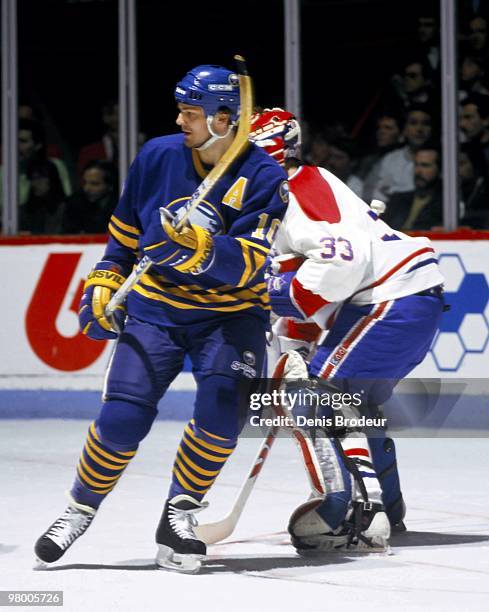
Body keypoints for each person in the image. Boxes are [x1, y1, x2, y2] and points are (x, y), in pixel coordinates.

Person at [34, 64, 288, 573]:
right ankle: (80, 508)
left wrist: (198, 249)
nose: (179, 120)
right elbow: (124, 239)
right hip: (155, 311)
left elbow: (253, 263)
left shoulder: (265, 176)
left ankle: (179, 515)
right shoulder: (156, 156)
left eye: (190, 112)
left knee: (222, 415)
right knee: (122, 416)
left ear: (224, 118)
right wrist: (106, 279)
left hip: (230, 317)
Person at [250, 108, 445, 552]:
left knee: (310, 394)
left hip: (389, 300)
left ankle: (354, 509)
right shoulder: (300, 187)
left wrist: (277, 293)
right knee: (357, 405)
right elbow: (320, 277)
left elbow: (342, 261)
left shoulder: (295, 189)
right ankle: (388, 509)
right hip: (409, 299)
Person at [372, 104, 434, 202]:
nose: (419, 129)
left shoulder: (443, 160)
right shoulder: (390, 160)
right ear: (405, 129)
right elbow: (378, 199)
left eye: (425, 123)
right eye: (413, 123)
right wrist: (373, 217)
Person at [382, 143, 443, 231]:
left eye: (425, 165)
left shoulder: (447, 205)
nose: (418, 171)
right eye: (416, 165)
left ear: (439, 169)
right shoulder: (398, 199)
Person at [62, 160, 118, 234]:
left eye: (94, 184)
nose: (87, 188)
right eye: (85, 182)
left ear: (110, 186)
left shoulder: (121, 208)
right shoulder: (74, 204)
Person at [19, 159, 66, 234]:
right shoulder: (24, 211)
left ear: (51, 179)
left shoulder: (65, 209)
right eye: (32, 179)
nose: (34, 184)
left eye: (39, 178)